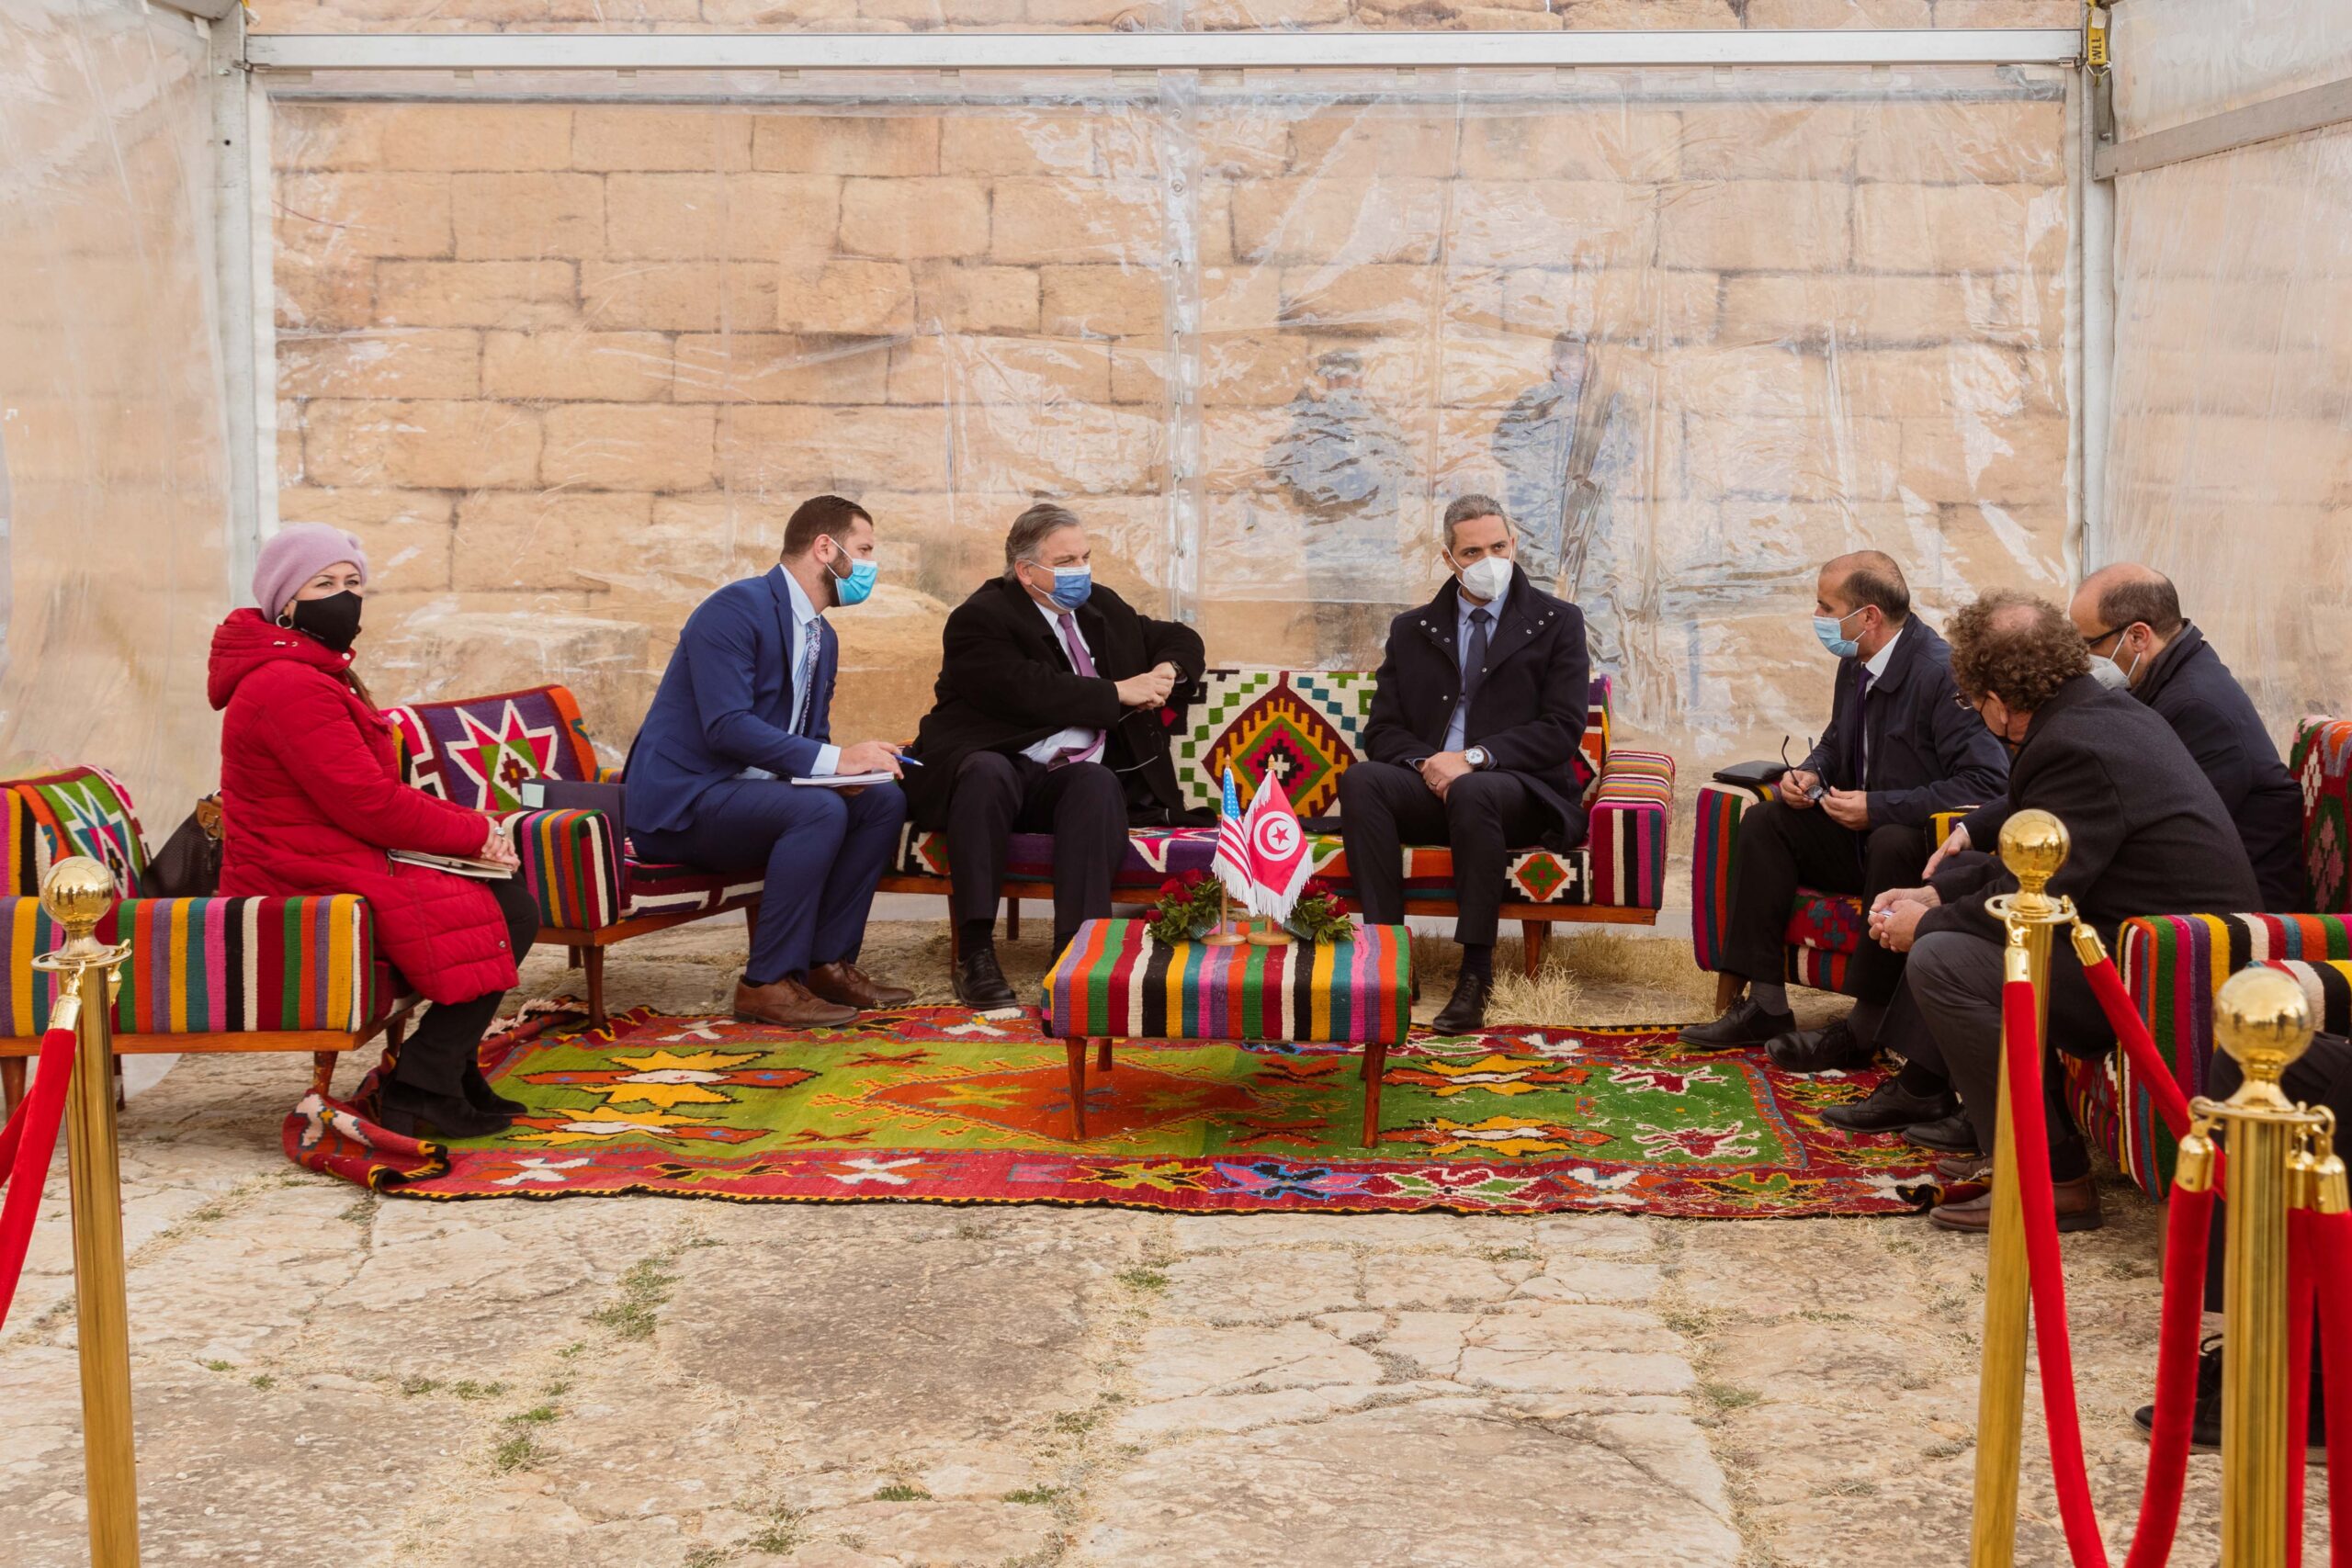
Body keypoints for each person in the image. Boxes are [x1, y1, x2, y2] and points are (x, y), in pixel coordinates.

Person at [1837, 591, 2260, 1233]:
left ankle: (2049, 1177)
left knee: (1944, 959)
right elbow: (2037, 862)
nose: (1976, 713)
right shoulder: (2094, 714)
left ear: (2001, 702)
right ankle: (2005, 1143)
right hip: (2138, 945)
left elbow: (2038, 899)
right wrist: (1937, 893)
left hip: (2169, 973)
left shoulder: (2074, 745)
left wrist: (1928, 921)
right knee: (1948, 936)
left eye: (1972, 701)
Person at [209, 524, 536, 1140]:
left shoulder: (308, 670)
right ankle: (420, 1085)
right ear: (284, 601)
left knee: (503, 900)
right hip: (295, 873)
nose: (344, 595)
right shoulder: (287, 683)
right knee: (503, 909)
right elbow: (367, 802)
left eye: (352, 582)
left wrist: (474, 835)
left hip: (323, 850)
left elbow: (364, 796)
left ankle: (446, 1071)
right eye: (324, 583)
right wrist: (473, 833)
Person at [1679, 552, 2009, 1067]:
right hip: (1854, 836)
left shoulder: (1940, 674)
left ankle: (1865, 1026)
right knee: (1768, 820)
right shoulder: (1855, 661)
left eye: (1825, 606)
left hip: (1917, 851)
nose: (1817, 616)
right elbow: (1838, 739)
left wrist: (1878, 808)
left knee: (1892, 838)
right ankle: (1765, 1004)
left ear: (1868, 616)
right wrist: (1811, 771)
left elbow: (1989, 781)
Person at [626, 494, 912, 1030]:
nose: (871, 566)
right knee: (816, 812)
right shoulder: (735, 608)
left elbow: (811, 738)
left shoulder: (822, 637)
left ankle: (825, 963)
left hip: (755, 797)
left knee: (880, 801)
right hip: (686, 801)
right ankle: (765, 984)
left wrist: (846, 773)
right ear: (824, 547)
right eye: (865, 549)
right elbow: (726, 725)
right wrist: (834, 761)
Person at [905, 502, 1206, 1009]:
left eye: (1085, 557)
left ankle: (1075, 953)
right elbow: (1030, 690)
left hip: (1058, 779)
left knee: (1094, 783)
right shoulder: (979, 618)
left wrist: (1169, 669)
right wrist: (1119, 692)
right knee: (985, 772)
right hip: (994, 767)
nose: (1081, 571)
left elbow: (1177, 635)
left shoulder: (1100, 609)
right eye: (1066, 562)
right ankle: (975, 952)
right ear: (1026, 571)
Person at [1338, 495, 1592, 1033]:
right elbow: (1382, 730)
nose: (1489, 559)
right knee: (1362, 779)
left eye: (1499, 546)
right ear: (1449, 559)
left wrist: (1472, 760)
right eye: (1472, 551)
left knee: (1475, 790)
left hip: (1517, 791)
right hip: (1431, 784)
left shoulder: (1557, 621)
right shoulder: (1413, 629)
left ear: (1514, 544)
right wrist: (1431, 764)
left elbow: (1561, 730)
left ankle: (1475, 973)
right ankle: (1387, 961)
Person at [1924, 563, 2304, 914]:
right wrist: (1974, 828)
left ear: (2138, 636)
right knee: (1967, 873)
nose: (2075, 659)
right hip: (2154, 879)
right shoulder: (2166, 683)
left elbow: (2151, 827)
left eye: (2086, 644)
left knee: (1953, 939)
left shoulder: (2197, 707)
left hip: (2224, 920)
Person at [1268, 348, 1415, 666]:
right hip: (1327, 548)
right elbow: (1277, 466)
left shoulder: (1379, 423)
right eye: (1330, 378)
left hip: (1375, 548)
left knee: (1394, 635)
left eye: (1343, 376)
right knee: (1330, 643)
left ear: (1360, 380)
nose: (1336, 384)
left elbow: (1401, 469)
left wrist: (1360, 446)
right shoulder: (1309, 423)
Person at [1490, 332, 1626, 594]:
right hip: (1538, 517)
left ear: (1590, 361)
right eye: (1564, 356)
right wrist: (1538, 472)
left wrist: (1596, 474)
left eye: (1578, 357)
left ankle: (1585, 637)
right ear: (1553, 361)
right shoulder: (1534, 400)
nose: (1571, 364)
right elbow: (1503, 444)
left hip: (1589, 515)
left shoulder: (1609, 404)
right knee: (1533, 592)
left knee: (1593, 590)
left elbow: (1626, 451)